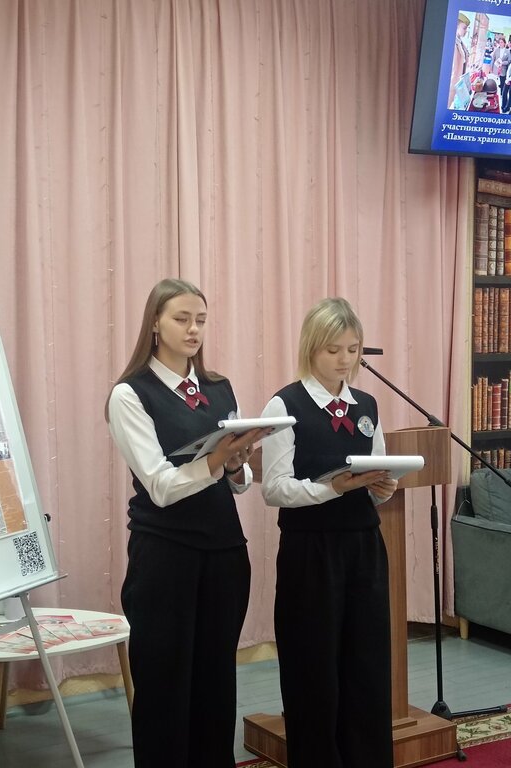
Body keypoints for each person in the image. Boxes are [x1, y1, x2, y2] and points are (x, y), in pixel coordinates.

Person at [105, 278, 267, 768]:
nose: (193, 329)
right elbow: (159, 484)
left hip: (224, 552)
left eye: (200, 320)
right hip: (165, 556)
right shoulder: (130, 394)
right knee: (164, 686)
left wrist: (235, 465)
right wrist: (214, 461)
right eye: (181, 319)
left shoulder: (219, 388)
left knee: (216, 682)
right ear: (155, 324)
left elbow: (239, 483)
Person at [260, 297, 398, 768]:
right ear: (311, 348)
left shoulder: (367, 405)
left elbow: (375, 480)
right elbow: (274, 489)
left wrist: (383, 488)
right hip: (310, 552)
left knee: (367, 663)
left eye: (352, 350)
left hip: (364, 547)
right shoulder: (285, 404)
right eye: (333, 350)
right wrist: (330, 488)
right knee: (314, 666)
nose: (344, 360)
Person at [449, 12, 470, 108]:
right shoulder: (451, 42)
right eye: (464, 28)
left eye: (467, 28)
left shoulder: (460, 42)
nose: (466, 31)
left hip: (459, 83)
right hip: (452, 84)